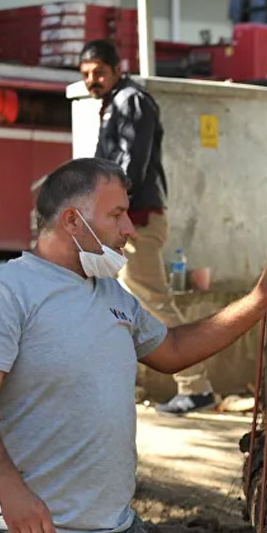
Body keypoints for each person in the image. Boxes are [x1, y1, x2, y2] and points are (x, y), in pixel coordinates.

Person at [0, 158, 267, 533]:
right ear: (72, 220)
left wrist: (260, 298)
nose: (129, 228)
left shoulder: (112, 296)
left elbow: (173, 350)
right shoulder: (3, 294)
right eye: (116, 214)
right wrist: (13, 496)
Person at [78, 39, 215, 415]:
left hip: (134, 222)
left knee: (152, 302)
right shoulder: (114, 104)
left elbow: (129, 169)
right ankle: (125, 386)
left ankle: (197, 386)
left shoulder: (130, 101)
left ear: (117, 69)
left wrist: (115, 216)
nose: (92, 80)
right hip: (124, 220)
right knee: (121, 304)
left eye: (99, 72)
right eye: (86, 74)